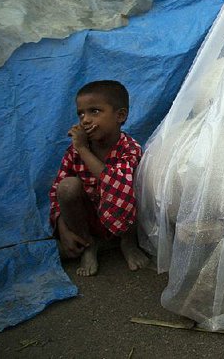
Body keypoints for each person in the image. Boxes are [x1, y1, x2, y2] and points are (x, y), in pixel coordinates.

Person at [49, 80, 149, 276]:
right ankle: (89, 244)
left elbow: (116, 186)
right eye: (81, 113)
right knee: (67, 186)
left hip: (125, 216)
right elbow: (56, 191)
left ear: (120, 116)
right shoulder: (75, 152)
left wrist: (84, 149)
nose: (85, 120)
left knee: (139, 183)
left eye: (94, 111)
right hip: (91, 220)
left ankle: (127, 243)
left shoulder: (130, 149)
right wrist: (62, 227)